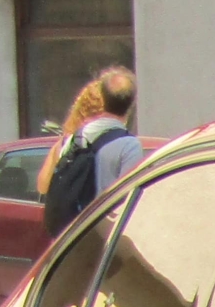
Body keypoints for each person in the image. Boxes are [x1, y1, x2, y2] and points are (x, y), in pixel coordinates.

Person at [38, 66, 141, 237]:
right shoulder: (129, 145)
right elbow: (129, 201)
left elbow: (43, 186)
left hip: (70, 238)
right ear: (131, 103)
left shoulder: (71, 140)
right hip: (103, 239)